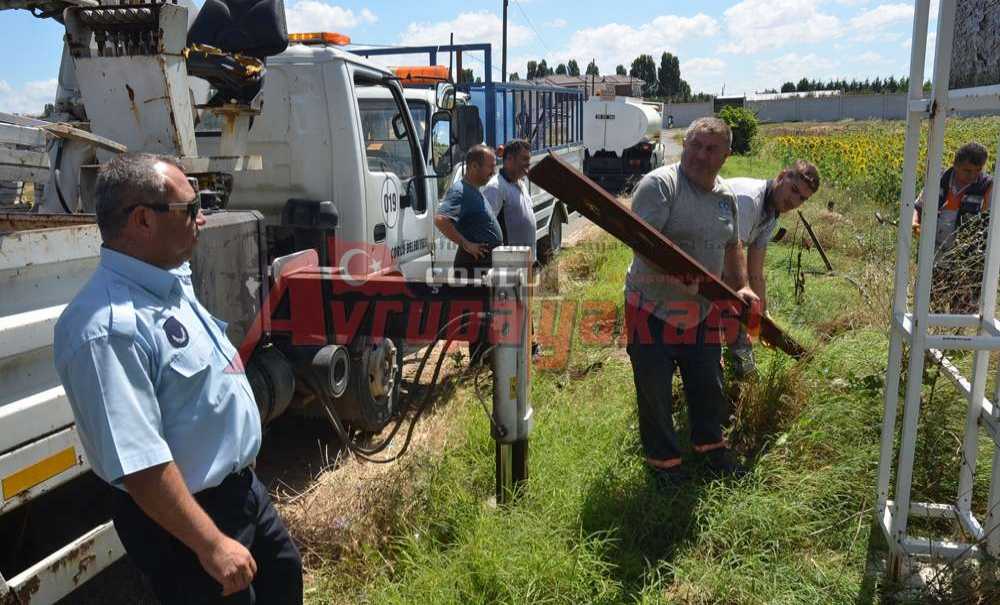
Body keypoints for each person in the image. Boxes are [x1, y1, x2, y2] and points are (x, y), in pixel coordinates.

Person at [53, 153, 303, 604]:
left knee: (284, 578)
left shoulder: (167, 281)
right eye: (190, 209)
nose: (202, 219)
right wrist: (211, 544)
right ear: (143, 221)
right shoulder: (108, 328)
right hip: (186, 526)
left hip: (240, 493)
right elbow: (142, 466)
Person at [624, 117, 760, 485]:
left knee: (707, 382)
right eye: (695, 145)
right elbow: (646, 246)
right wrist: (697, 281)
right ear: (685, 145)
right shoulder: (661, 186)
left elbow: (733, 247)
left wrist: (742, 287)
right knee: (654, 389)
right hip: (650, 305)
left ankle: (711, 449)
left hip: (699, 311)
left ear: (727, 155)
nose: (701, 154)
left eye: (711, 148)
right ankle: (664, 464)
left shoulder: (726, 198)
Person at [725, 160, 820, 378]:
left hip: (717, 261)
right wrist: (751, 317)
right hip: (691, 256)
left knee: (743, 319)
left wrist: (763, 315)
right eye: (794, 190)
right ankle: (743, 381)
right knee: (734, 318)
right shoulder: (750, 200)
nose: (794, 201)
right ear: (781, 176)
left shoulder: (771, 213)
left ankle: (739, 377)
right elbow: (733, 251)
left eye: (802, 198)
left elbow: (755, 270)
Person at [434, 144, 501, 364]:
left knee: (487, 316)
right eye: (490, 167)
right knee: (478, 318)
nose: (493, 171)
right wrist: (467, 245)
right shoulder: (460, 191)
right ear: (474, 166)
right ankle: (478, 364)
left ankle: (485, 363)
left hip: (484, 266)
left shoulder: (474, 191)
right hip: (473, 265)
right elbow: (441, 219)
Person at [913, 142, 993, 252]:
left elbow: (987, 221)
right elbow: (918, 206)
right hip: (931, 245)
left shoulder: (987, 185)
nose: (973, 176)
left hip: (961, 252)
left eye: (978, 170)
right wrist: (915, 223)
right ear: (955, 164)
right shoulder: (939, 177)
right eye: (967, 170)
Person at [482, 138, 535, 251]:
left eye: (529, 159)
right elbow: (485, 228)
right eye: (525, 159)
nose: (529, 163)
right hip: (509, 262)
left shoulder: (520, 183)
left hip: (525, 260)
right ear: (510, 159)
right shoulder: (495, 187)